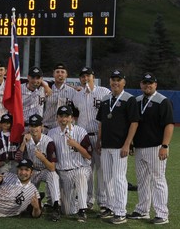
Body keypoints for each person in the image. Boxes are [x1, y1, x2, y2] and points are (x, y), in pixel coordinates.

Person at [127, 73, 174, 225]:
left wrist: (165, 146)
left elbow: (169, 124)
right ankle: (142, 210)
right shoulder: (137, 100)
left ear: (156, 85)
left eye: (150, 83)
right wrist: (132, 143)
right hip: (140, 147)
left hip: (156, 147)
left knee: (158, 180)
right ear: (141, 84)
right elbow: (134, 124)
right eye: (145, 83)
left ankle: (162, 214)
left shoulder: (163, 101)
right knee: (142, 181)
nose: (147, 85)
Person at [96, 70, 140, 225]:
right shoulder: (105, 98)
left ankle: (121, 212)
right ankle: (110, 207)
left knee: (119, 178)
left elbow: (134, 122)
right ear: (110, 81)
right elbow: (101, 121)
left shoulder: (130, 99)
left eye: (118, 80)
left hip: (120, 146)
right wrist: (98, 141)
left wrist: (128, 143)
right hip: (106, 145)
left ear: (124, 82)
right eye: (113, 79)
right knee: (106, 178)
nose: (115, 82)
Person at [73, 66, 111, 211]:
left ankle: (102, 202)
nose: (85, 78)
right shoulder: (77, 95)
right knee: (86, 170)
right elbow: (76, 115)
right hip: (84, 138)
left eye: (88, 75)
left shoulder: (104, 92)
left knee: (101, 170)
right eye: (82, 76)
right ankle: (88, 200)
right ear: (80, 79)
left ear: (93, 77)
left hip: (99, 135)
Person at [47, 106, 92, 222]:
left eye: (66, 116)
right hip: (63, 172)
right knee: (68, 211)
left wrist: (76, 145)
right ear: (57, 118)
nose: (63, 119)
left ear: (71, 118)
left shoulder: (80, 131)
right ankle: (76, 200)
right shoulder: (51, 133)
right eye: (61, 116)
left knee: (80, 176)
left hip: (80, 167)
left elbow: (88, 155)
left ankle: (82, 210)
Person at [15, 114, 61, 222]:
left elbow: (52, 167)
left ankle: (56, 207)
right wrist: (23, 143)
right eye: (32, 125)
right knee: (26, 196)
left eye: (36, 126)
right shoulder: (26, 139)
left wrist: (43, 158)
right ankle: (32, 203)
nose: (34, 128)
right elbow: (17, 159)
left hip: (45, 169)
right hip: (32, 172)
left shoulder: (48, 141)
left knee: (53, 176)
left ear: (42, 127)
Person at [43, 63, 77, 131]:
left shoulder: (73, 92)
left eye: (62, 72)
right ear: (53, 74)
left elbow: (76, 112)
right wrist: (45, 85)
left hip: (65, 128)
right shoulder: (46, 89)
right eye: (57, 72)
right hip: (47, 128)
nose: (60, 74)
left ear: (66, 74)